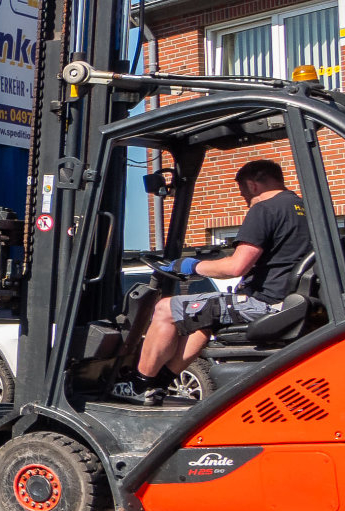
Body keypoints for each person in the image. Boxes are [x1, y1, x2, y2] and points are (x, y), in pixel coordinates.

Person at [119, 158, 314, 405]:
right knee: (201, 321)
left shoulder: (264, 208)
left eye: (244, 194)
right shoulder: (305, 208)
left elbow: (236, 266)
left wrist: (192, 266)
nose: (245, 200)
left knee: (165, 308)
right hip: (288, 302)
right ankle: (159, 384)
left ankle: (139, 384)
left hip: (263, 303)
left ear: (253, 185)